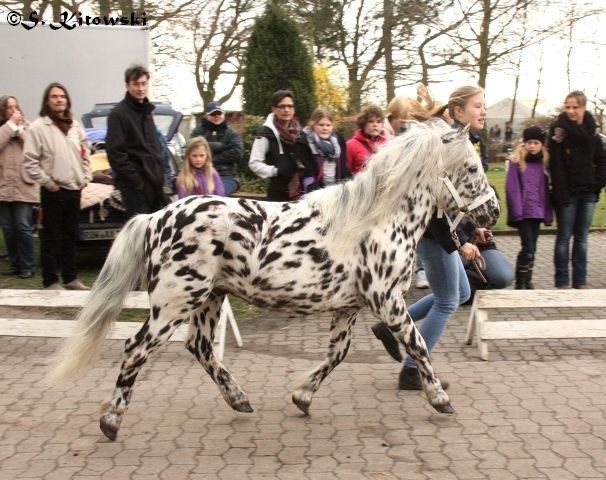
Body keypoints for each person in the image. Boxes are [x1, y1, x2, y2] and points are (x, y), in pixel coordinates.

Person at [371, 87, 487, 390]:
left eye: (484, 106)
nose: (483, 112)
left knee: (460, 293)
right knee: (448, 301)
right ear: (458, 111)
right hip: (433, 236)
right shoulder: (443, 144)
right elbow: (437, 209)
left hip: (441, 234)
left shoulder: (457, 140)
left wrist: (469, 231)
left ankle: (390, 325)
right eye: (478, 106)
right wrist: (461, 242)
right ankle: (411, 370)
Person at [23, 83, 92, 290]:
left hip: (74, 189)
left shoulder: (74, 125)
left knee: (70, 236)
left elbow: (85, 152)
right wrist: (48, 183)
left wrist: (85, 177)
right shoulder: (38, 127)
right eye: (54, 96)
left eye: (62, 96)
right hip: (53, 189)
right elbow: (29, 161)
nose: (59, 99)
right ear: (47, 100)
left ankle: (70, 278)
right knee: (51, 236)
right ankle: (50, 280)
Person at [548, 90, 606, 289]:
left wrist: (598, 184)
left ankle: (580, 280)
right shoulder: (558, 132)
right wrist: (560, 194)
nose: (570, 111)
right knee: (564, 237)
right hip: (566, 194)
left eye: (575, 107)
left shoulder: (593, 131)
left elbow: (601, 159)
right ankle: (562, 281)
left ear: (583, 107)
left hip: (588, 193)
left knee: (581, 238)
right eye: (568, 107)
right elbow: (555, 166)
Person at [106, 65, 168, 219]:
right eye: (136, 84)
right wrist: (138, 182)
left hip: (154, 185)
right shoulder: (118, 114)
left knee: (155, 235)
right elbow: (115, 154)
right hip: (135, 188)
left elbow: (154, 149)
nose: (140, 88)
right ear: (127, 86)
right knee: (138, 237)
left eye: (144, 83)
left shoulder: (146, 111)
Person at [384, 95, 430, 289]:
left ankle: (417, 270)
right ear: (392, 118)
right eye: (401, 123)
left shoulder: (406, 136)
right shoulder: (385, 137)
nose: (404, 128)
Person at [505, 126, 552, 289]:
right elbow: (512, 188)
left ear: (541, 145)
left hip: (537, 212)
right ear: (524, 143)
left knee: (533, 248)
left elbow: (546, 190)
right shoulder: (516, 162)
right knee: (528, 247)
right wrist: (516, 211)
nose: (532, 146)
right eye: (529, 142)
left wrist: (547, 213)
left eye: (536, 143)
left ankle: (528, 279)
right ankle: (520, 281)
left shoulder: (544, 163)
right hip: (523, 213)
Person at [0, 95, 38, 279]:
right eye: (9, 108)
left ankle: (28, 265)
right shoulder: (2, 130)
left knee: (22, 226)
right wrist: (10, 128)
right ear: (3, 111)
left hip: (24, 186)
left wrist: (19, 129)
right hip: (3, 187)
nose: (13, 111)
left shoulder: (28, 127)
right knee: (8, 228)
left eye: (15, 106)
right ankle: (15, 264)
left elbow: (33, 147)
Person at [248, 90, 302, 202]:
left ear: (294, 109)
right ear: (274, 109)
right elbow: (254, 163)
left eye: (289, 106)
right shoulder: (265, 133)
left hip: (301, 191)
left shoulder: (300, 131)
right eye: (282, 106)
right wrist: (275, 171)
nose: (286, 110)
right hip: (278, 194)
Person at [190, 101, 243, 196]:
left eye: (219, 113)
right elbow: (191, 149)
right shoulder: (197, 132)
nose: (216, 116)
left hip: (227, 176)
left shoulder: (231, 133)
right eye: (213, 113)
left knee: (215, 193)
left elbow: (237, 154)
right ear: (206, 115)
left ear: (223, 114)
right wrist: (222, 147)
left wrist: (209, 158)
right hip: (200, 174)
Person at [294, 107, 350, 193]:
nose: (325, 128)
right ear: (313, 125)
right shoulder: (304, 143)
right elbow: (306, 172)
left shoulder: (339, 142)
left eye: (328, 125)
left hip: (336, 190)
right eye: (321, 125)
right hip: (316, 191)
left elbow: (344, 167)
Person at [346, 104, 387, 175]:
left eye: (378, 122)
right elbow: (347, 173)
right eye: (371, 121)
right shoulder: (351, 145)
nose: (375, 125)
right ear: (363, 123)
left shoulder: (388, 144)